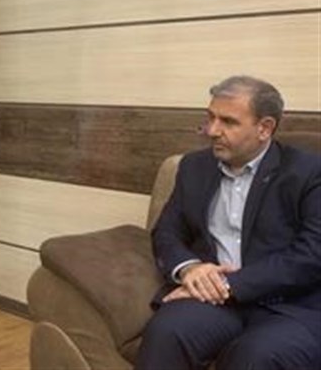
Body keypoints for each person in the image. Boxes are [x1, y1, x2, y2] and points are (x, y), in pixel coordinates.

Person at [136, 75, 321, 370]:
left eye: (228, 122)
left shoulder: (308, 172)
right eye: (210, 118)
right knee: (166, 332)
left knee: (255, 356)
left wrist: (227, 284)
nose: (212, 131)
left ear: (265, 128)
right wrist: (190, 268)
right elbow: (167, 231)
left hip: (288, 305)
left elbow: (311, 255)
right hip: (215, 302)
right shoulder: (193, 167)